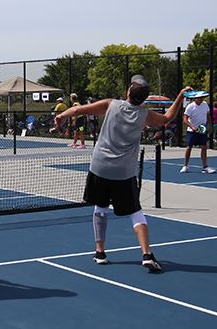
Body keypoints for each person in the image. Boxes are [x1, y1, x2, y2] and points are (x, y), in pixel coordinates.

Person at [55, 76, 193, 272]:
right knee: (136, 212)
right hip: (124, 172)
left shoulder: (112, 104)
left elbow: (77, 110)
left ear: (128, 92)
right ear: (143, 99)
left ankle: (100, 252)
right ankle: (146, 254)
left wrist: (62, 116)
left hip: (100, 167)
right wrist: (180, 95)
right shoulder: (145, 115)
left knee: (100, 208)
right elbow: (168, 117)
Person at [180, 93, 215, 174]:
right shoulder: (190, 106)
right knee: (189, 147)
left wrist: (210, 126)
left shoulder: (205, 104)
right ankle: (185, 166)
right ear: (195, 98)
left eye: (202, 97)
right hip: (191, 131)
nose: (201, 99)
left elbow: (208, 115)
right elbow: (185, 119)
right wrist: (192, 126)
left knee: (204, 147)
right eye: (199, 98)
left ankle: (205, 167)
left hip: (202, 130)